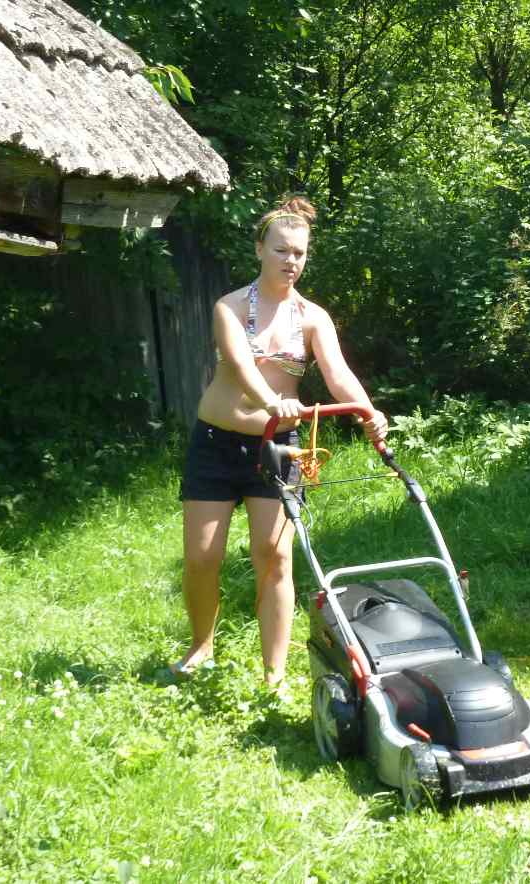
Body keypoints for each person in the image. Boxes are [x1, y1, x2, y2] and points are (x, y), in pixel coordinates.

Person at [173, 196, 388, 690]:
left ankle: (273, 675)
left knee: (274, 559)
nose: (291, 260)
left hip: (279, 448)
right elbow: (241, 367)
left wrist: (368, 412)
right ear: (259, 249)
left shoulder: (312, 317)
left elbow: (338, 375)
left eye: (299, 253)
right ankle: (201, 647)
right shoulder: (229, 307)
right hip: (216, 444)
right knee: (202, 558)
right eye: (281, 250)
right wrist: (272, 401)